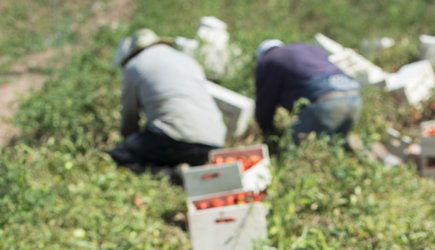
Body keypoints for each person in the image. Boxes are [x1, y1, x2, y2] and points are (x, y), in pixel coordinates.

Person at [109, 29, 226, 169]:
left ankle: (170, 174)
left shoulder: (134, 66)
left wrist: (131, 141)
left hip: (175, 139)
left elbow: (129, 119)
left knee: (121, 154)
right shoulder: (186, 60)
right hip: (215, 143)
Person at [255, 40, 361, 143]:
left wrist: (267, 131)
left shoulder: (269, 59)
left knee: (293, 149)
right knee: (337, 141)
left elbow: (265, 101)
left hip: (326, 99)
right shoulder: (308, 48)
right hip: (354, 94)